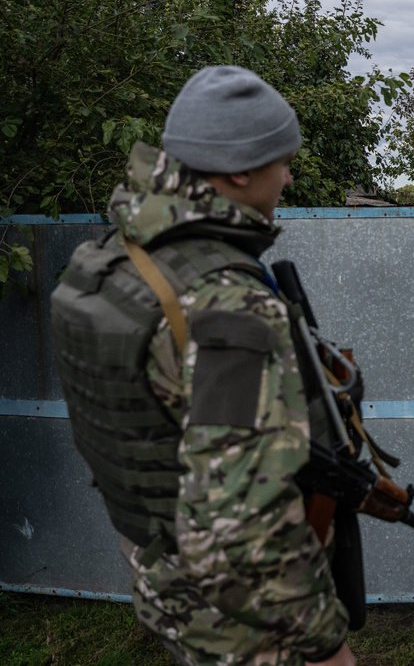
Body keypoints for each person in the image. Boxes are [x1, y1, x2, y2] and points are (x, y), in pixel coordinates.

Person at [50, 66, 354, 666]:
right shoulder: (225, 301)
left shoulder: (118, 256)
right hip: (248, 620)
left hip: (164, 579)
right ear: (240, 170)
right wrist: (323, 643)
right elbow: (241, 528)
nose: (289, 176)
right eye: (282, 160)